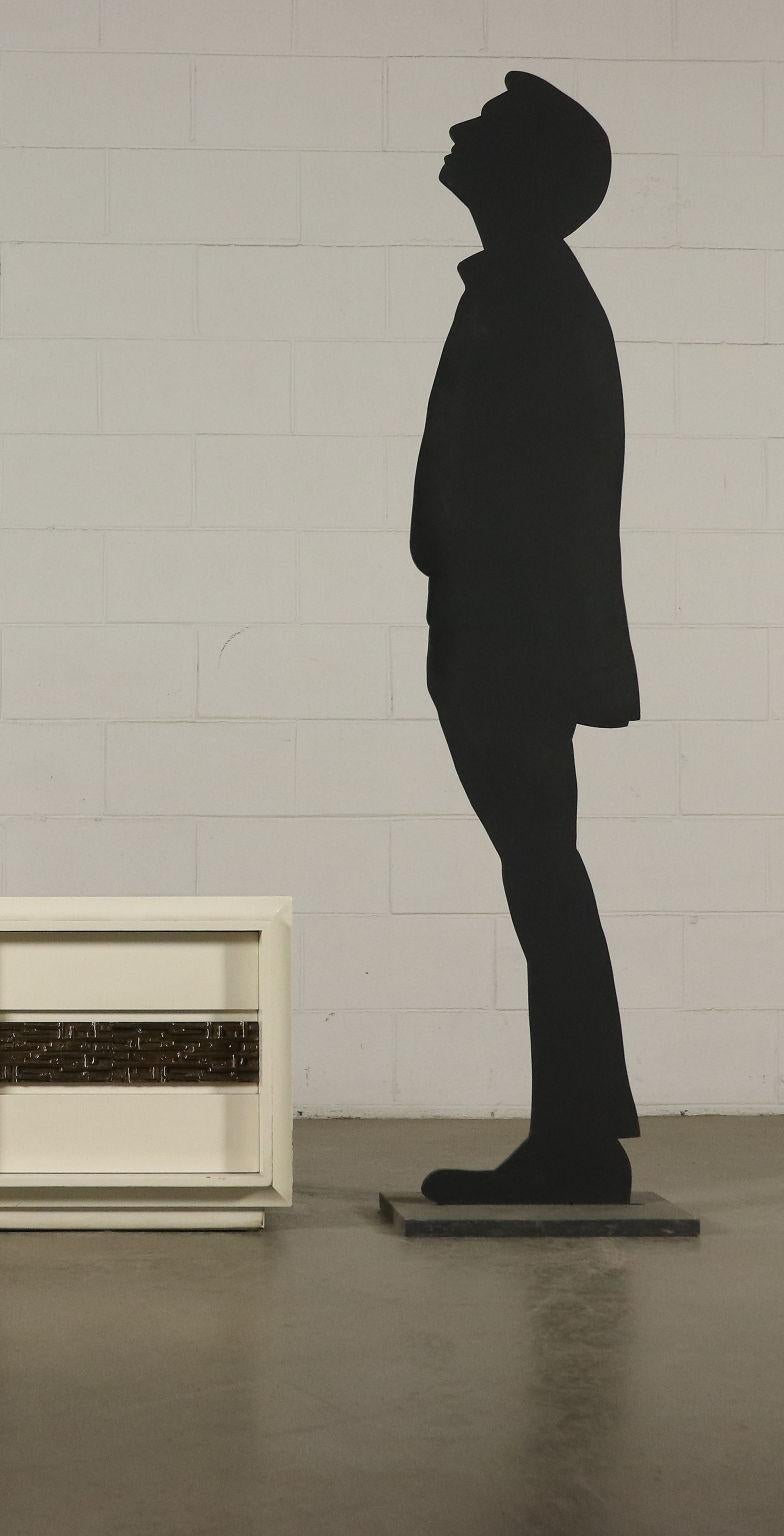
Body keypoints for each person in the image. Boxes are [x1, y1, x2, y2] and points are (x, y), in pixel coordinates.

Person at [411, 71, 640, 1204]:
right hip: (496, 633)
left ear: (530, 174)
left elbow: (550, 498)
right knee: (542, 871)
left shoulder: (538, 297)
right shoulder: (521, 289)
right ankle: (579, 1131)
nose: (459, 130)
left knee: (543, 871)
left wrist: (498, 629)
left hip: (514, 641)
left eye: (488, 129)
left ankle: (579, 1140)